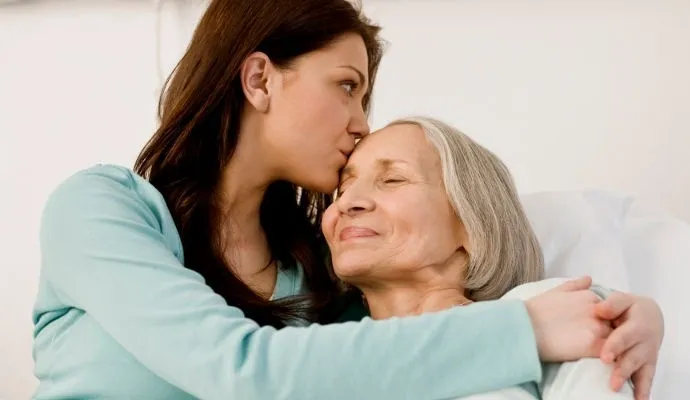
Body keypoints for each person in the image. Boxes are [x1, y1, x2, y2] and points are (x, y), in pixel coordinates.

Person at [33, 1, 662, 399]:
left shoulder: (319, 280)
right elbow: (240, 370)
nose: (360, 121)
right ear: (259, 80)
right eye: (347, 87)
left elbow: (411, 336)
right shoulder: (101, 209)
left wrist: (619, 312)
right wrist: (523, 329)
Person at [323, 116, 659, 399]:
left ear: (471, 223)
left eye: (392, 178)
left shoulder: (544, 312)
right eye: (342, 188)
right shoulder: (319, 354)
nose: (348, 201)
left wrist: (614, 310)